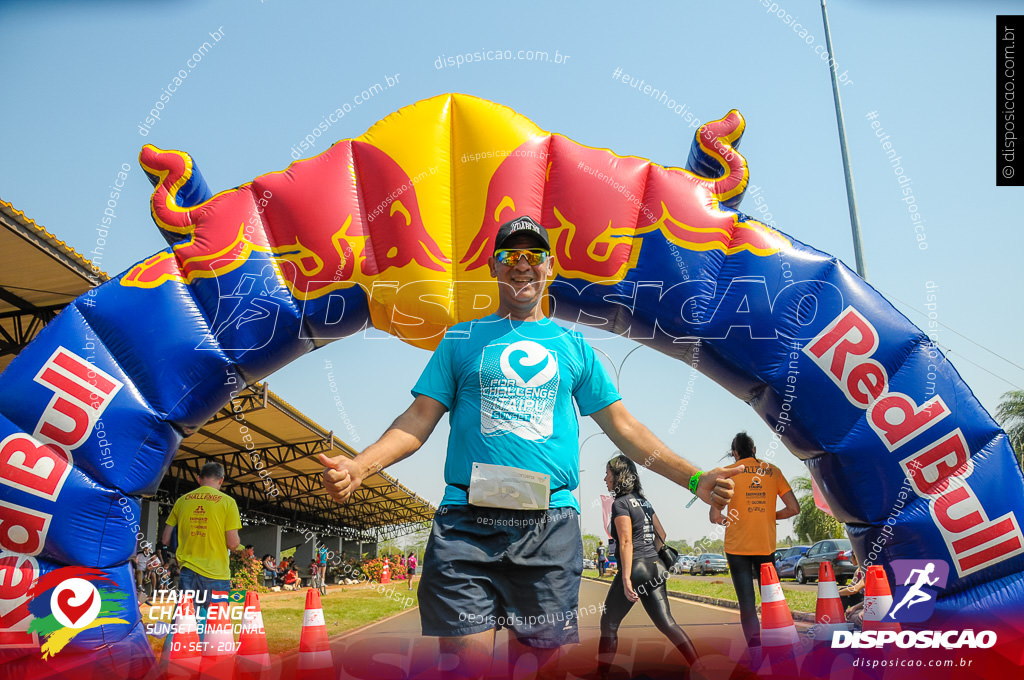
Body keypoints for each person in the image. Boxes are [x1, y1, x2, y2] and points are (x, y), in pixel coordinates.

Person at [320, 215, 742, 679]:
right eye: (510, 255)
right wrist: (360, 466)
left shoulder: (574, 345)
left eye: (533, 255)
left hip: (549, 527)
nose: (523, 265)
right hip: (466, 528)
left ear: (550, 267)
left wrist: (695, 478)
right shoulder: (461, 338)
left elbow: (625, 428)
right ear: (493, 267)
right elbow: (417, 421)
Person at [598, 455, 698, 676]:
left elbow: (625, 541)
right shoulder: (645, 502)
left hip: (635, 569)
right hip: (655, 567)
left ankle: (601, 675)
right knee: (668, 624)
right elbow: (661, 534)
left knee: (609, 623)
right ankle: (701, 665)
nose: (605, 478)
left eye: (608, 474)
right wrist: (652, 555)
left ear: (619, 477)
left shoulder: (621, 503)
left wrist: (626, 579)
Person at [711, 432, 799, 649]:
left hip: (736, 547)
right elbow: (793, 508)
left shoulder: (728, 474)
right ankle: (781, 648)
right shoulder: (773, 471)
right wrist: (769, 514)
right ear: (755, 450)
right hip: (765, 546)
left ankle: (756, 654)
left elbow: (714, 516)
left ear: (735, 453)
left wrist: (727, 519)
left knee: (747, 606)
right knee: (772, 601)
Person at [160, 462, 243, 613]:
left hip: (188, 572)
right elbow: (232, 544)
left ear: (199, 479)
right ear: (221, 480)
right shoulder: (228, 503)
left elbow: (165, 539)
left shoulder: (182, 501)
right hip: (216, 573)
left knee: (183, 623)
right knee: (216, 626)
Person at [839, 552, 866, 627]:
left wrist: (835, 594)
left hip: (868, 600)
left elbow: (854, 589)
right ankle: (837, 617)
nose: (850, 559)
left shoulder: (866, 570)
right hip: (863, 600)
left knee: (842, 592)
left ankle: (838, 619)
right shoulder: (858, 571)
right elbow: (850, 588)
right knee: (843, 590)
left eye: (851, 557)